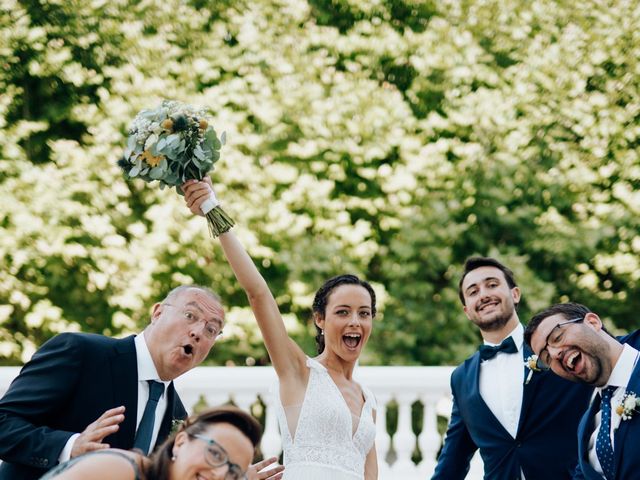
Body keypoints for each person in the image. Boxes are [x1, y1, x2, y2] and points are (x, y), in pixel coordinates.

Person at [182, 178, 378, 480]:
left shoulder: (369, 399)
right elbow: (258, 294)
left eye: (364, 313)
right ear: (320, 320)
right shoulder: (299, 372)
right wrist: (212, 208)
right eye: (343, 312)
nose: (355, 321)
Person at [0, 285, 224, 480]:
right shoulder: (81, 352)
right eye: (190, 315)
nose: (197, 333)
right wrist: (70, 447)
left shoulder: (177, 412)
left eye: (211, 329)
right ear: (157, 313)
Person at [431, 257, 593, 480]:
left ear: (515, 294)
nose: (484, 294)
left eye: (492, 284)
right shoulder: (461, 378)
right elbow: (453, 458)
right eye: (473, 291)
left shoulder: (556, 346)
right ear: (467, 310)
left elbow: (609, 358)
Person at [524, 302, 640, 480]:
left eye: (557, 337)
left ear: (592, 322)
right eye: (546, 358)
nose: (554, 354)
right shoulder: (586, 427)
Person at [39, 404, 262, 480]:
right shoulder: (119, 469)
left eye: (233, 472)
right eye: (215, 454)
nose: (220, 473)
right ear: (181, 442)